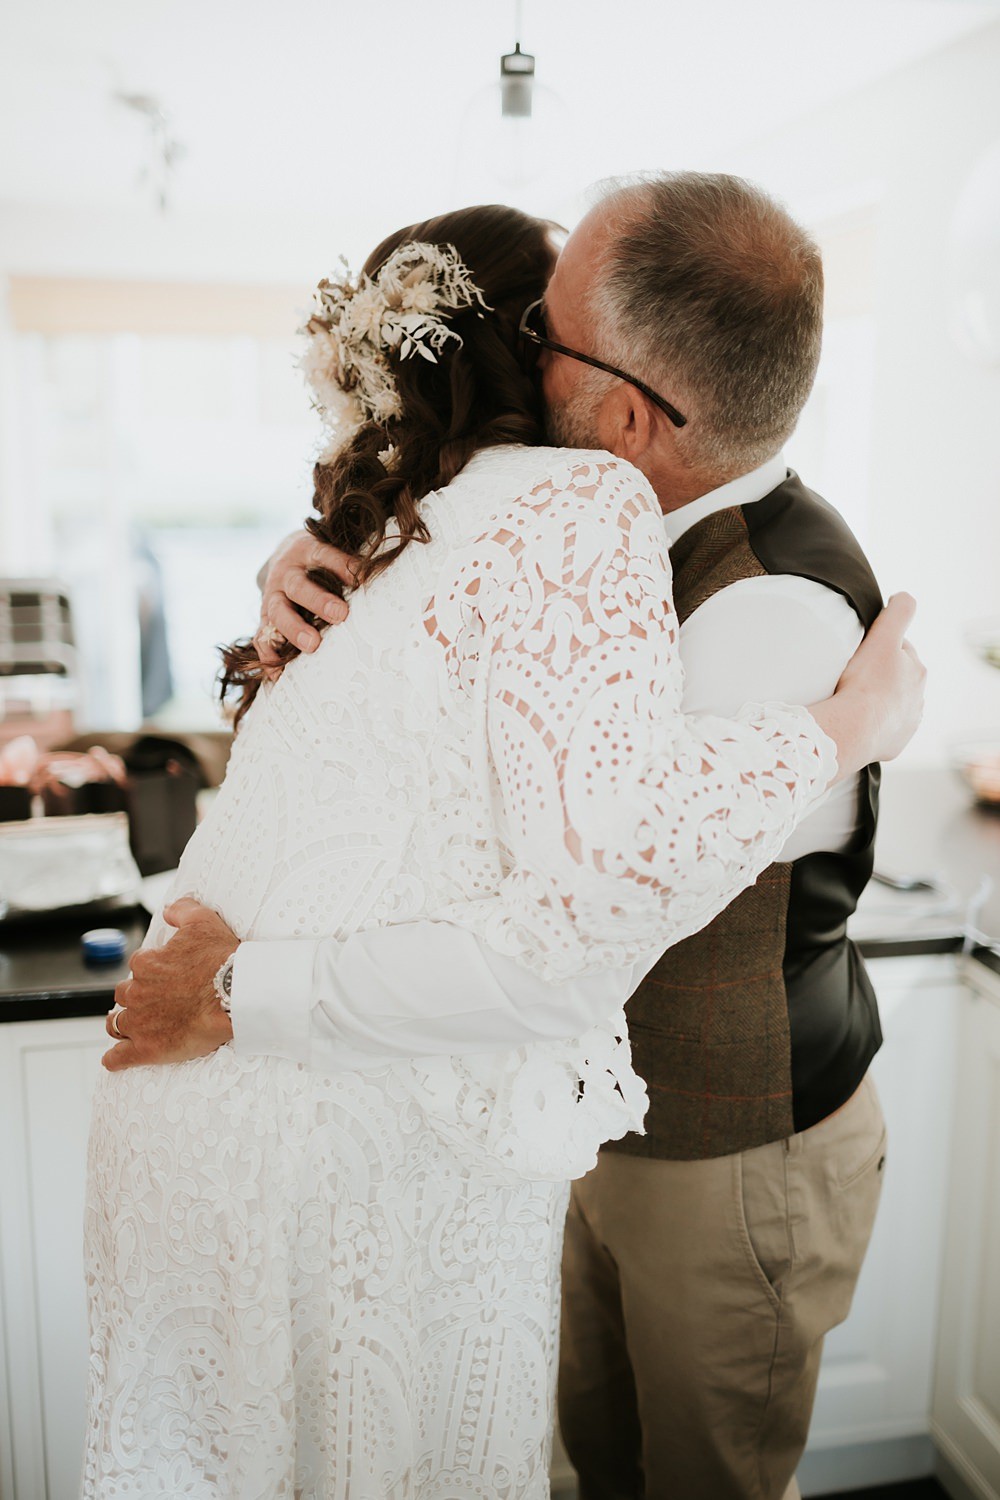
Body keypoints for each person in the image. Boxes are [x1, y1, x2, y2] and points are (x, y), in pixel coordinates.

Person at [95, 197, 923, 1499]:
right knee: (588, 1463)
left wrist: (841, 725)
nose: (521, 358)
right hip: (548, 1120)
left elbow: (596, 889)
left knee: (703, 1479)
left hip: (724, 1159)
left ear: (634, 414)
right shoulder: (559, 522)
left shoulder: (769, 608)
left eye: (549, 336)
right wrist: (331, 561)